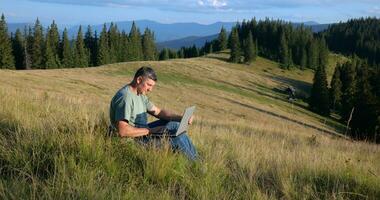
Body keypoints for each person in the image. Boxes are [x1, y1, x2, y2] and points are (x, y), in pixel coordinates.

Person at [109, 66, 198, 160]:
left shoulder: (140, 94)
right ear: (139, 80)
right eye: (149, 85)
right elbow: (123, 131)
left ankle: (196, 158)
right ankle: (197, 165)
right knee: (177, 137)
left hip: (143, 132)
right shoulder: (125, 97)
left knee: (175, 125)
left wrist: (182, 118)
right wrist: (150, 131)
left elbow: (158, 112)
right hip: (135, 140)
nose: (150, 89)